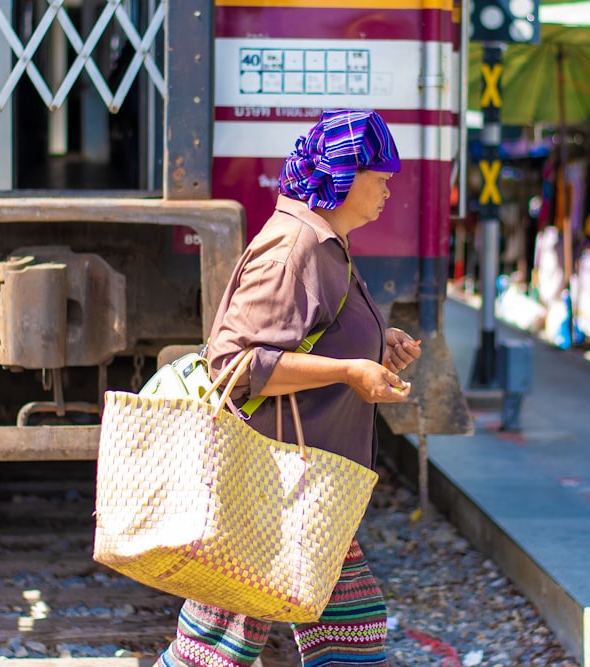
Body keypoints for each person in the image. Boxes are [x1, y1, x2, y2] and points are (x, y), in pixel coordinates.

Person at [154, 109, 420, 667]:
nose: (391, 186)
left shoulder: (324, 241)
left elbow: (309, 335)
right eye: (381, 173)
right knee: (214, 649)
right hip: (272, 489)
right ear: (345, 175)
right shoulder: (294, 248)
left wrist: (376, 343)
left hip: (303, 487)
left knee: (349, 631)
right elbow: (236, 361)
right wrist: (350, 371)